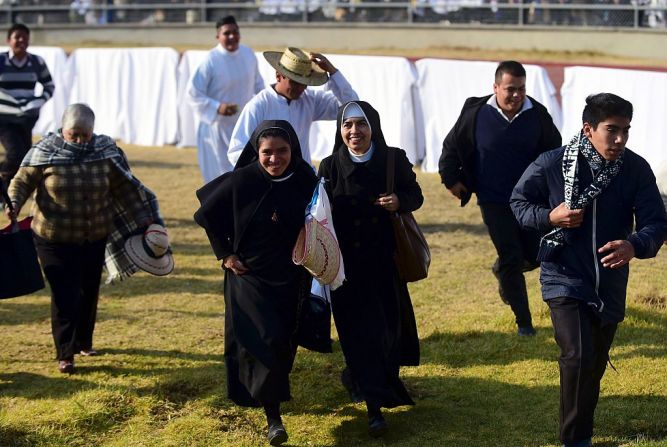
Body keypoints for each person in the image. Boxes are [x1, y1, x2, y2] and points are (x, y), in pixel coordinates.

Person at [510, 93, 667, 447]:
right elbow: (518, 202)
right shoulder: (552, 163)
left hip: (610, 282)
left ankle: (581, 427)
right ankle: (575, 440)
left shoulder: (636, 168)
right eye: (612, 130)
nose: (620, 140)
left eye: (626, 131)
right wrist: (549, 216)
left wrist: (634, 245)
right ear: (588, 128)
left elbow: (657, 222)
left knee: (593, 364)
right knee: (577, 357)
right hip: (562, 275)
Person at [4, 104, 163, 374]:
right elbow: (20, 182)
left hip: (94, 235)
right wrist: (15, 203)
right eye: (73, 134)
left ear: (93, 131)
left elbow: (125, 188)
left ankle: (83, 342)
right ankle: (65, 353)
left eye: (85, 135)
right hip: (54, 237)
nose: (79, 140)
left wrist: (146, 220)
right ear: (62, 129)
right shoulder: (45, 151)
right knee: (65, 293)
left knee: (89, 290)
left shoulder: (105, 152)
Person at [194, 120, 317, 446]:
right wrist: (225, 254)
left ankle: (272, 393)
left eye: (282, 151)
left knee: (283, 341)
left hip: (291, 276)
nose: (275, 159)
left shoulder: (306, 179)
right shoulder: (242, 180)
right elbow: (206, 215)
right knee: (263, 339)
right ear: (256, 153)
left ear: (293, 150)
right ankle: (273, 417)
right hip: (249, 276)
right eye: (267, 153)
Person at [318, 101, 422, 437]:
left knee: (387, 333)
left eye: (360, 124)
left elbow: (415, 194)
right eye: (347, 125)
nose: (354, 132)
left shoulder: (393, 158)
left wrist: (399, 202)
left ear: (372, 126)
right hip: (345, 269)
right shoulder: (330, 166)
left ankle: (364, 379)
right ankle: (374, 408)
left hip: (385, 263)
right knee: (356, 335)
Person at [438, 60, 562, 336]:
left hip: (531, 201)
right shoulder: (476, 112)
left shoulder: (538, 115)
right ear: (495, 87)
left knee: (535, 254)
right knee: (511, 255)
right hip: (493, 200)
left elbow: (555, 155)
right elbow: (451, 146)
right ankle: (524, 323)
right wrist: (451, 179)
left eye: (521, 89)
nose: (516, 95)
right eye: (510, 89)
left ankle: (504, 272)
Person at [227, 47, 358, 168]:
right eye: (295, 82)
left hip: (304, 180)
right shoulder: (258, 106)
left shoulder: (309, 100)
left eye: (304, 83)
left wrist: (333, 72)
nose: (300, 88)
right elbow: (236, 151)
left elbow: (351, 107)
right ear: (278, 75)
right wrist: (268, 170)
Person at [187, 15, 264, 183]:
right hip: (216, 129)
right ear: (218, 36)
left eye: (235, 32)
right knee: (219, 179)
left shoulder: (248, 54)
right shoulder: (210, 60)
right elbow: (193, 92)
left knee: (243, 176)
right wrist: (217, 107)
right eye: (226, 33)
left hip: (243, 127)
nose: (231, 36)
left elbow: (259, 85)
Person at [0, 23, 55, 183]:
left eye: (25, 37)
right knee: (16, 153)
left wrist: (38, 101)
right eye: (17, 37)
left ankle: (11, 190)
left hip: (27, 116)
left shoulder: (37, 62)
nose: (21, 41)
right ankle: (4, 191)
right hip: (4, 117)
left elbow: (49, 85)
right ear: (8, 40)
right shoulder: (1, 61)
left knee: (25, 156)